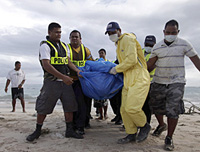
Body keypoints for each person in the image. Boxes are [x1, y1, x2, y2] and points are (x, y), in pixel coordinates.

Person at [147, 19, 200, 151]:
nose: (171, 34)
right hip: (158, 81)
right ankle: (161, 124)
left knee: (173, 110)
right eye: (168, 32)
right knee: (156, 107)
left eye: (174, 32)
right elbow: (149, 66)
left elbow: (196, 61)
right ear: (164, 32)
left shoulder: (184, 44)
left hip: (177, 81)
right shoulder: (157, 46)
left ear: (178, 32)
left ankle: (169, 137)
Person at [26, 22, 83, 142]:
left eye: (60, 32)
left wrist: (77, 71)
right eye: (56, 32)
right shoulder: (45, 46)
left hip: (66, 83)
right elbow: (47, 65)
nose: (59, 34)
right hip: (51, 83)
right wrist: (63, 77)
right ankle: (37, 130)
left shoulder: (64, 46)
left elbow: (68, 61)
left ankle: (69, 130)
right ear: (49, 32)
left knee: (70, 106)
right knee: (43, 107)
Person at [105, 21, 151, 144]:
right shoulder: (118, 44)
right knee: (124, 109)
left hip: (139, 77)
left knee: (132, 108)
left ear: (119, 30)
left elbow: (131, 60)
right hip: (128, 78)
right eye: (109, 33)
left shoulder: (127, 38)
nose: (111, 35)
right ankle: (131, 133)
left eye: (113, 32)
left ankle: (144, 125)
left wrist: (116, 69)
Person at [67, 30, 94, 135]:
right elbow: (67, 61)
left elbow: (92, 63)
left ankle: (81, 126)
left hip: (81, 81)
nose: (74, 39)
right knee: (71, 104)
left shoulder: (85, 50)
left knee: (82, 103)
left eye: (76, 37)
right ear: (70, 38)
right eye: (72, 37)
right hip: (69, 80)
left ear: (80, 39)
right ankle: (73, 124)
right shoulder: (66, 49)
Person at [142, 35, 156, 124]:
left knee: (148, 106)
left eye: (151, 45)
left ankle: (147, 124)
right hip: (140, 82)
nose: (149, 46)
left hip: (152, 83)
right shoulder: (140, 52)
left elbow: (149, 68)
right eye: (147, 44)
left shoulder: (157, 54)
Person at [94, 48, 110, 120]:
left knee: (105, 100)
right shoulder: (96, 62)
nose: (101, 54)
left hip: (105, 84)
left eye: (102, 53)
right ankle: (101, 115)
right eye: (100, 53)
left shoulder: (108, 62)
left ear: (105, 54)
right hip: (98, 84)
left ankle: (105, 114)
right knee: (98, 101)